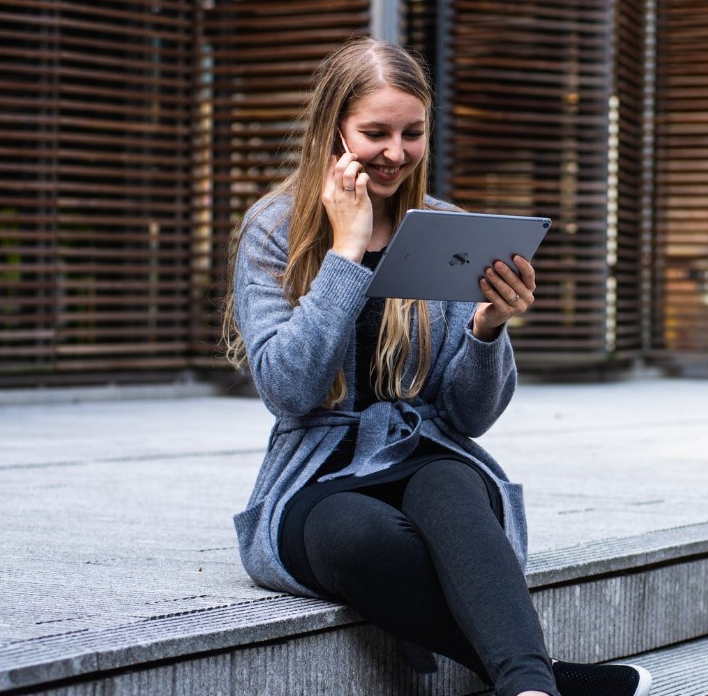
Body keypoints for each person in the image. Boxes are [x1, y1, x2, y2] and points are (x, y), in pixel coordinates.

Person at [221, 36, 652, 696]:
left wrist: (488, 328)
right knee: (366, 538)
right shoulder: (276, 229)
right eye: (375, 133)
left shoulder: (445, 228)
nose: (396, 153)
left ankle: (529, 691)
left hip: (424, 456)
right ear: (334, 132)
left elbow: (468, 419)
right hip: (317, 475)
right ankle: (546, 679)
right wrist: (345, 252)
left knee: (452, 484)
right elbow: (288, 389)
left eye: (412, 133)